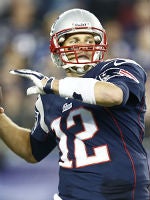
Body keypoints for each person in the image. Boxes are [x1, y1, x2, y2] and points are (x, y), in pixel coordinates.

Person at [0, 8, 150, 200]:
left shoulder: (118, 68)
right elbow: (31, 150)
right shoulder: (48, 98)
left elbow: (113, 95)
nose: (83, 46)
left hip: (124, 195)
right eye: (74, 40)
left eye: (89, 40)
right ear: (57, 47)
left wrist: (53, 84)